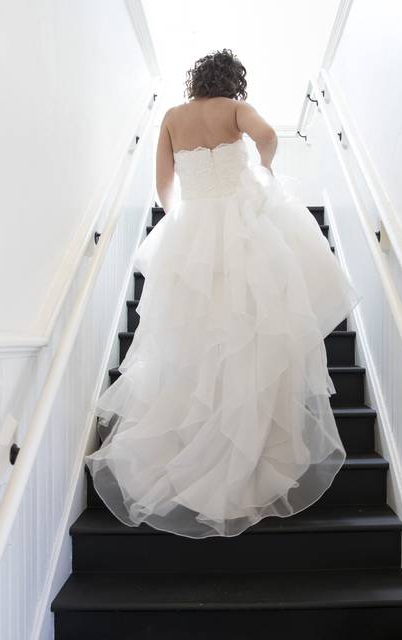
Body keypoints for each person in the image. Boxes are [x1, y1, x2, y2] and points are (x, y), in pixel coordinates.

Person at [85, 49, 361, 538]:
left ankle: (195, 446)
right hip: (242, 226)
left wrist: (183, 221)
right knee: (253, 334)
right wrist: (266, 169)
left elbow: (162, 186)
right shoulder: (234, 109)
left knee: (195, 344)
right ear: (232, 81)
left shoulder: (172, 117)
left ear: (195, 80)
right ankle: (250, 455)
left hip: (195, 232)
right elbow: (269, 137)